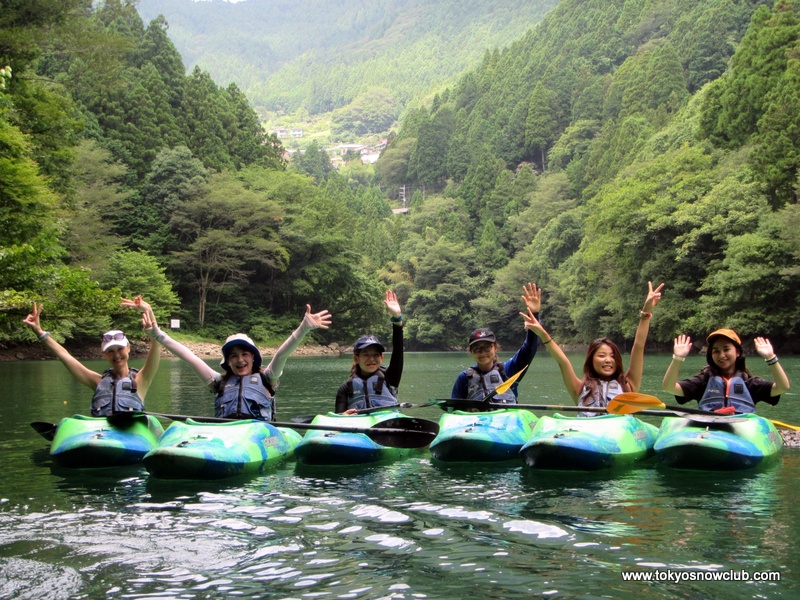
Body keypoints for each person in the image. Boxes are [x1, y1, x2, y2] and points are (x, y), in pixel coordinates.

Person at [143, 305, 332, 420]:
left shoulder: (267, 377)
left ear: (253, 357)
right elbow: (189, 357)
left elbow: (282, 354)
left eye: (244, 354)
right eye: (233, 356)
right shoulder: (218, 382)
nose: (240, 360)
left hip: (259, 433)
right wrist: (158, 335)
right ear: (228, 361)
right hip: (227, 432)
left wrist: (304, 328)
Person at [524, 282, 663, 414]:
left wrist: (646, 313)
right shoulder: (579, 388)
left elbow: (639, 346)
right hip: (588, 435)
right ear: (591, 360)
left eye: (612, 356)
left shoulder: (629, 385)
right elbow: (563, 361)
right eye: (602, 355)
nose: (608, 360)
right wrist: (542, 333)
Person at [22, 296, 161, 416]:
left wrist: (148, 310)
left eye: (120, 349)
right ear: (105, 354)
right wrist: (40, 333)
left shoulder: (142, 379)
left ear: (128, 348)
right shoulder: (97, 381)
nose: (116, 355)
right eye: (110, 351)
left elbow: (156, 346)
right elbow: (65, 357)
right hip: (101, 434)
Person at [450, 282, 542, 403]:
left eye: (487, 347)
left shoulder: (509, 370)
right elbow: (454, 411)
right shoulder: (464, 378)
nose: (482, 352)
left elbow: (530, 348)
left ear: (495, 348)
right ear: (471, 352)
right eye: (477, 349)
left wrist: (534, 315)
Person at [662, 329, 790, 414]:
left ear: (738, 352)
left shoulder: (749, 382)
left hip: (741, 428)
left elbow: (782, 387)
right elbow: (669, 387)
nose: (721, 355)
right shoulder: (704, 380)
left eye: (726, 349)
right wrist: (678, 358)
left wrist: (770, 358)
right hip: (710, 427)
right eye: (716, 351)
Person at [335, 290, 404, 414]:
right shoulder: (345, 388)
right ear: (356, 359)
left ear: (381, 357)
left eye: (375, 355)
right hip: (359, 429)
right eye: (366, 354)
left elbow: (398, 351)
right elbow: (338, 418)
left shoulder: (390, 378)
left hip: (387, 426)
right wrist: (343, 416)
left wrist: (397, 319)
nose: (371, 359)